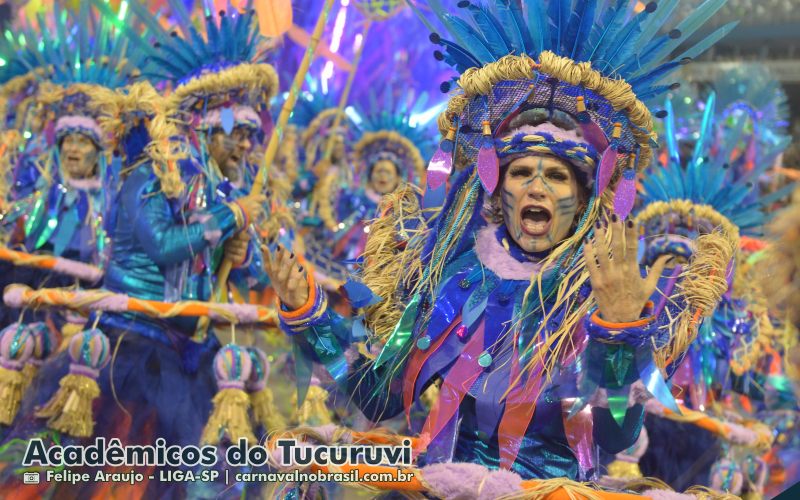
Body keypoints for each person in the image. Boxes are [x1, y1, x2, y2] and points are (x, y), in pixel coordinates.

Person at [264, 0, 735, 480]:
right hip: (444, 484)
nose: (535, 187)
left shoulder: (600, 292)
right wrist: (309, 315)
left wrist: (618, 331)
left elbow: (615, 438)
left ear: (585, 197)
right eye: (521, 172)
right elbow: (374, 398)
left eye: (556, 175)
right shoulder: (455, 278)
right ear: (495, 187)